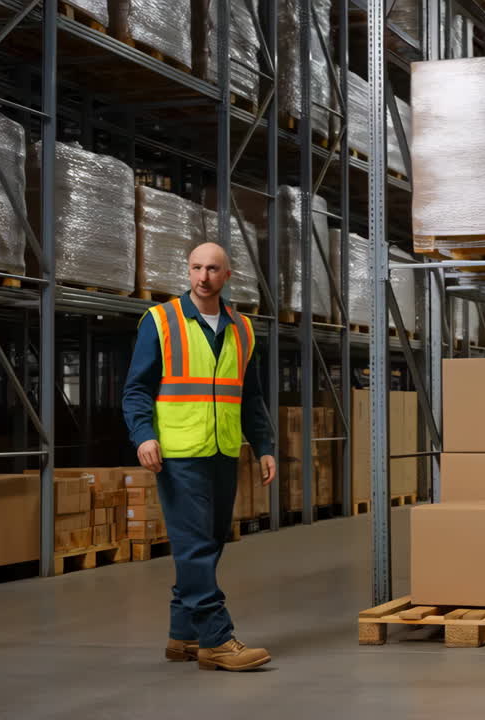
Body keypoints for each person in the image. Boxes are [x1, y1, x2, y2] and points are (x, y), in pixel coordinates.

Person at [123, 241, 276, 672]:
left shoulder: (242, 328)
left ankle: (183, 636)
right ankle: (215, 639)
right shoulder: (161, 321)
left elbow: (251, 397)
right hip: (177, 453)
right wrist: (143, 436)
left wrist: (264, 446)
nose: (203, 276)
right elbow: (136, 387)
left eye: (212, 269)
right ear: (187, 271)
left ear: (227, 276)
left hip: (224, 451)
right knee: (193, 546)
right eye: (195, 267)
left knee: (208, 543)